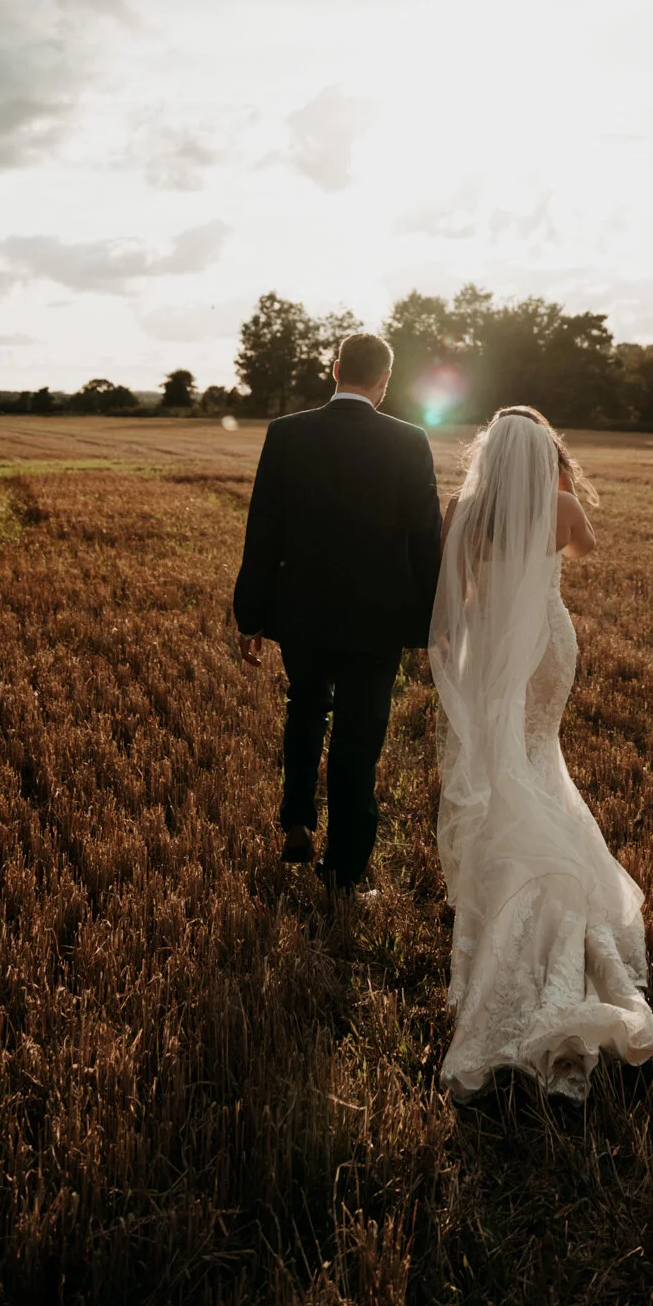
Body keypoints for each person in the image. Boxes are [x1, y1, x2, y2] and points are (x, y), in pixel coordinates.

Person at [430, 406, 653, 1099]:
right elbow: (583, 550)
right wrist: (554, 485)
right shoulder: (561, 505)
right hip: (549, 648)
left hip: (495, 648)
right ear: (545, 458)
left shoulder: (462, 510)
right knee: (540, 756)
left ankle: (512, 879)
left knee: (506, 765)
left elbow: (454, 599)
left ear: (487, 455)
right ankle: (556, 884)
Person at [233, 331, 442, 892]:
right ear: (385, 381)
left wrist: (250, 615)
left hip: (301, 612)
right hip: (376, 621)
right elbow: (426, 539)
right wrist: (433, 620)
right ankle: (344, 869)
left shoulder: (287, 434)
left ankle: (298, 818)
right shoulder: (410, 441)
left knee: (304, 708)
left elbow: (263, 531)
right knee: (358, 737)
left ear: (334, 369)